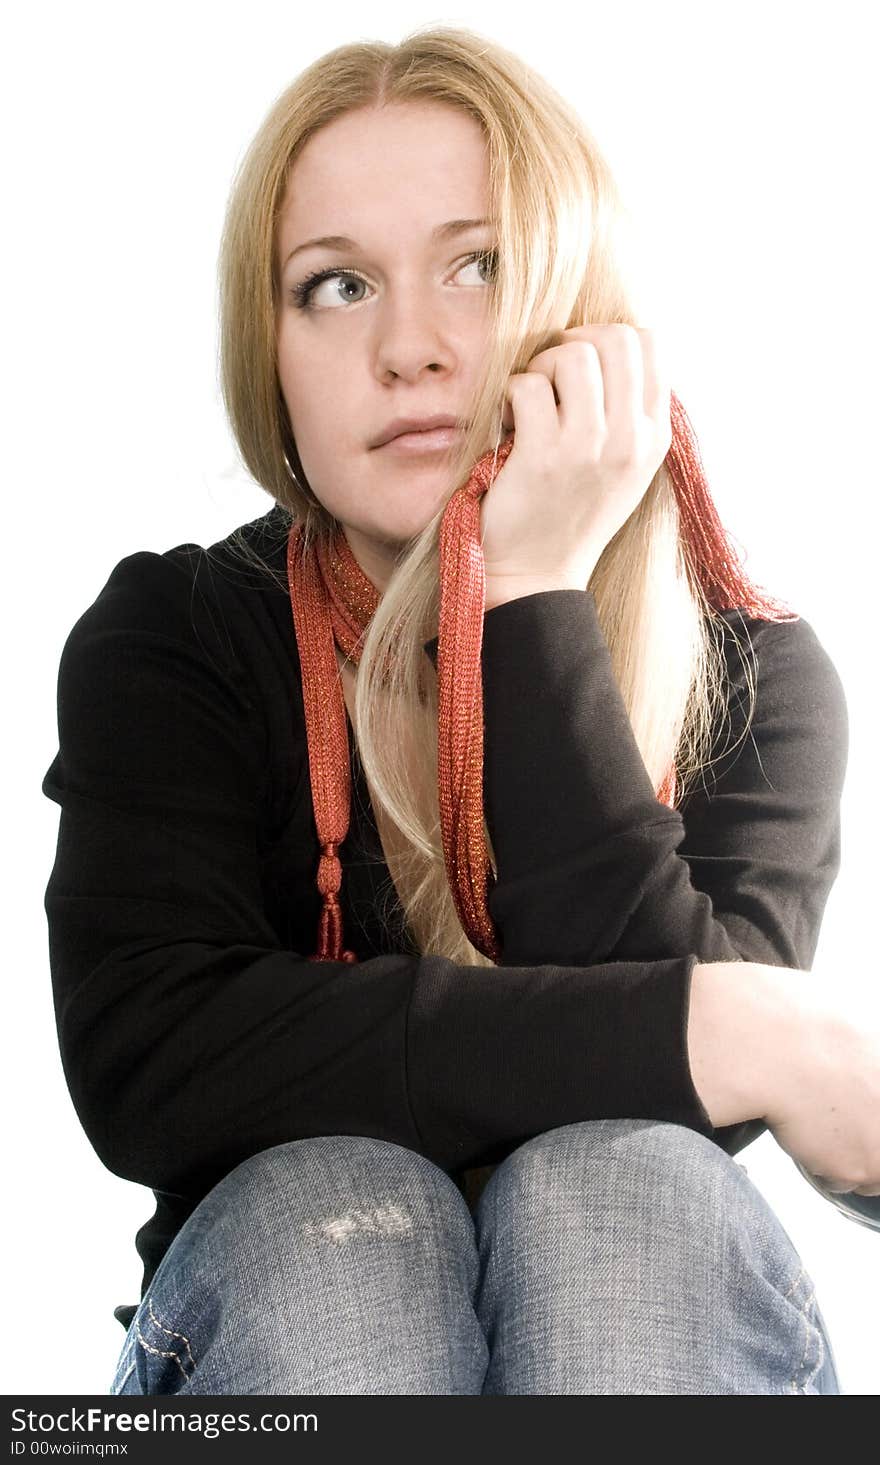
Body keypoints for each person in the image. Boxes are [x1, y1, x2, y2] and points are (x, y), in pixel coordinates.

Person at [41, 25, 878, 1397]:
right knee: (338, 1222)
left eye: (476, 265)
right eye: (334, 286)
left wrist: (531, 591)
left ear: (582, 307)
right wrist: (739, 1029)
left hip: (649, 1295)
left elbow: (670, 1121)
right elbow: (161, 1061)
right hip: (279, 1311)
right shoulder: (175, 638)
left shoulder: (753, 677)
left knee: (621, 1197)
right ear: (272, 351)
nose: (409, 349)